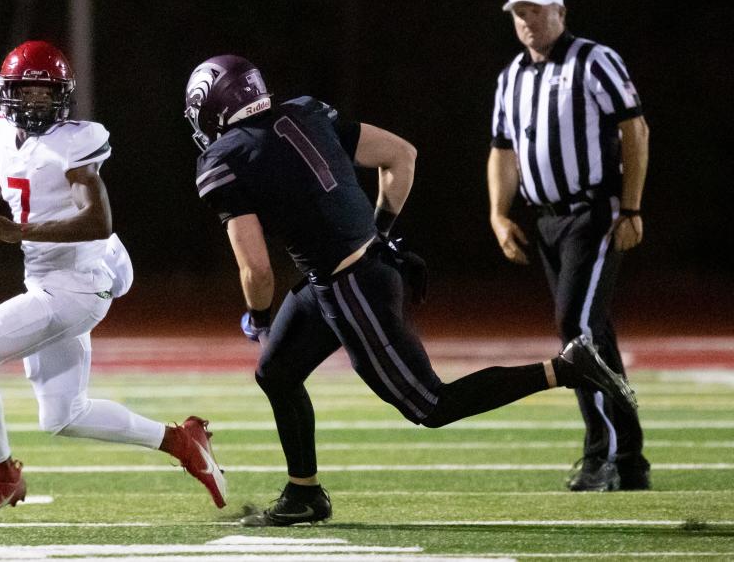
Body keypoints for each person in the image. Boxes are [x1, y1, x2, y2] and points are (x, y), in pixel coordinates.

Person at [183, 54, 638, 526]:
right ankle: (304, 494)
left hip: (351, 287)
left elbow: (256, 270)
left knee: (430, 405)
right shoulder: (305, 109)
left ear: (211, 104)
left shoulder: (222, 157)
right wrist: (377, 232)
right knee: (276, 371)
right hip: (349, 274)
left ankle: (565, 368)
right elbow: (401, 156)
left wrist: (257, 318)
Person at [0, 40, 226, 521]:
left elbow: (98, 220)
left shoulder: (77, 139)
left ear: (63, 96)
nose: (34, 103)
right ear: (7, 93)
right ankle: (182, 440)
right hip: (46, 279)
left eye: (44, 94)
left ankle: (1, 475)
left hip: (75, 286)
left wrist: (15, 230)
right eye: (25, 92)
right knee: (64, 416)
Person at [487, 0, 651, 491]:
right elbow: (503, 150)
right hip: (547, 219)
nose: (527, 21)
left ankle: (598, 454)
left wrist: (630, 207)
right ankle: (630, 459)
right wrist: (499, 213)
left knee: (575, 329)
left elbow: (634, 129)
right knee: (594, 333)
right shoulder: (511, 74)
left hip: (593, 212)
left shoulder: (594, 60)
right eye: (519, 13)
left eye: (536, 11)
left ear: (561, 12)